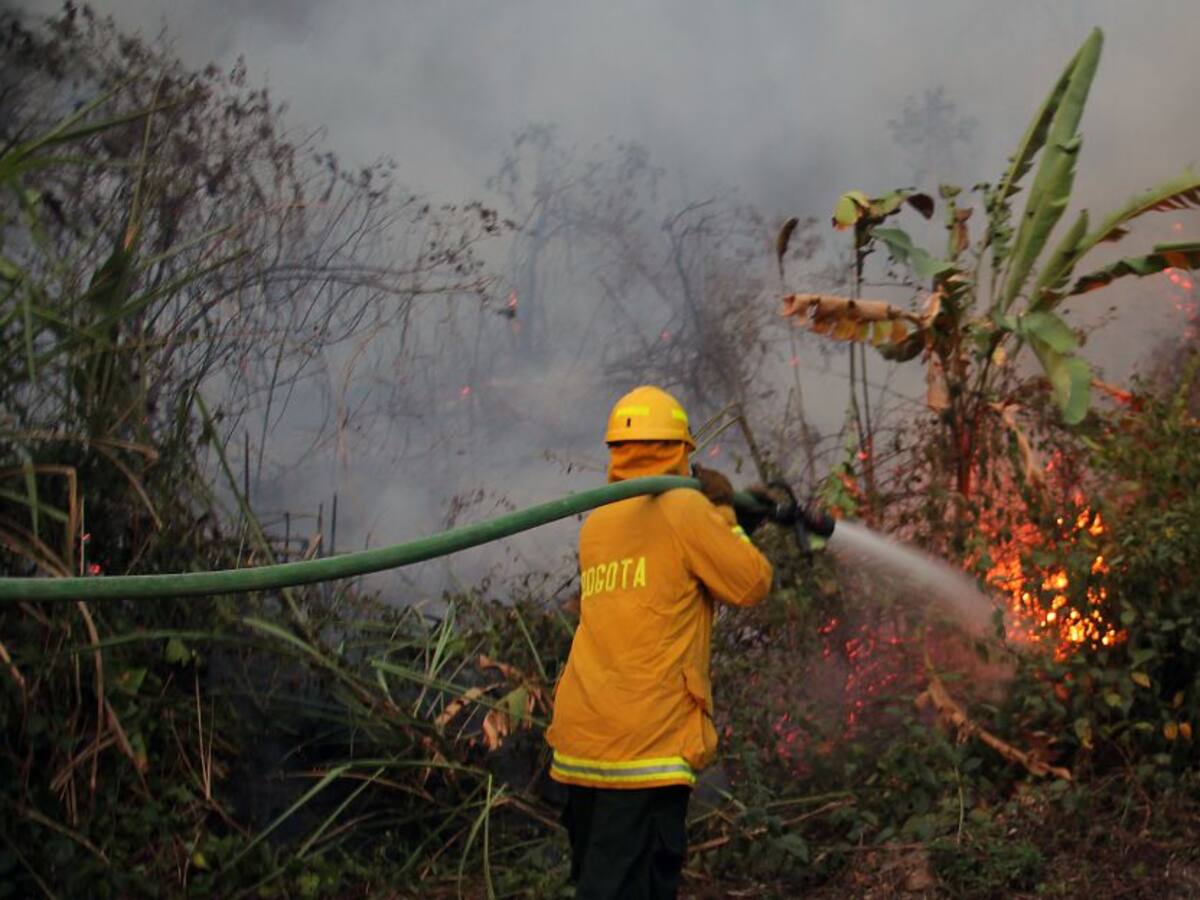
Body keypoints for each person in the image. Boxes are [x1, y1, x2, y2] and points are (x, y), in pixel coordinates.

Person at [546, 385, 773, 899]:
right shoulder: (686, 510)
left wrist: (727, 522)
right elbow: (750, 582)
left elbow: (663, 574)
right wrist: (726, 515)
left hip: (583, 739)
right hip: (643, 746)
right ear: (681, 448)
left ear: (616, 451)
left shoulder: (599, 522)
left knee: (599, 884)